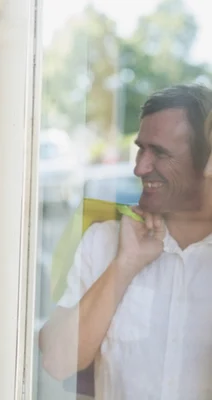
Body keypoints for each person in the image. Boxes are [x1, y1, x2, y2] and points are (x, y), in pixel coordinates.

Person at [39, 84, 212, 400]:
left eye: (159, 152)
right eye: (140, 149)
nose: (140, 168)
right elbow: (56, 361)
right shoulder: (104, 240)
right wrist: (125, 265)